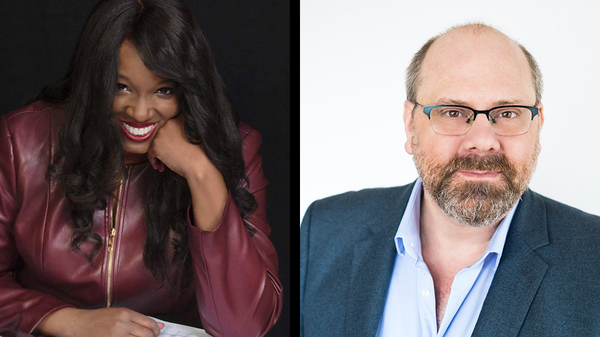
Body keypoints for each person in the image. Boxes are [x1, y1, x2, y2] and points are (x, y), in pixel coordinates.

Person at [0, 0, 283, 336]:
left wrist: (201, 173)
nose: (140, 111)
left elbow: (246, 327)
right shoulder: (24, 140)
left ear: (187, 89)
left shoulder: (231, 148)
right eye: (121, 87)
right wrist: (67, 321)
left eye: (164, 90)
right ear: (94, 79)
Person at [300, 23, 600, 336]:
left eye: (508, 113)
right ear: (410, 125)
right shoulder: (323, 231)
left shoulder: (594, 259)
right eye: (453, 112)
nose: (483, 141)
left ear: (538, 124)